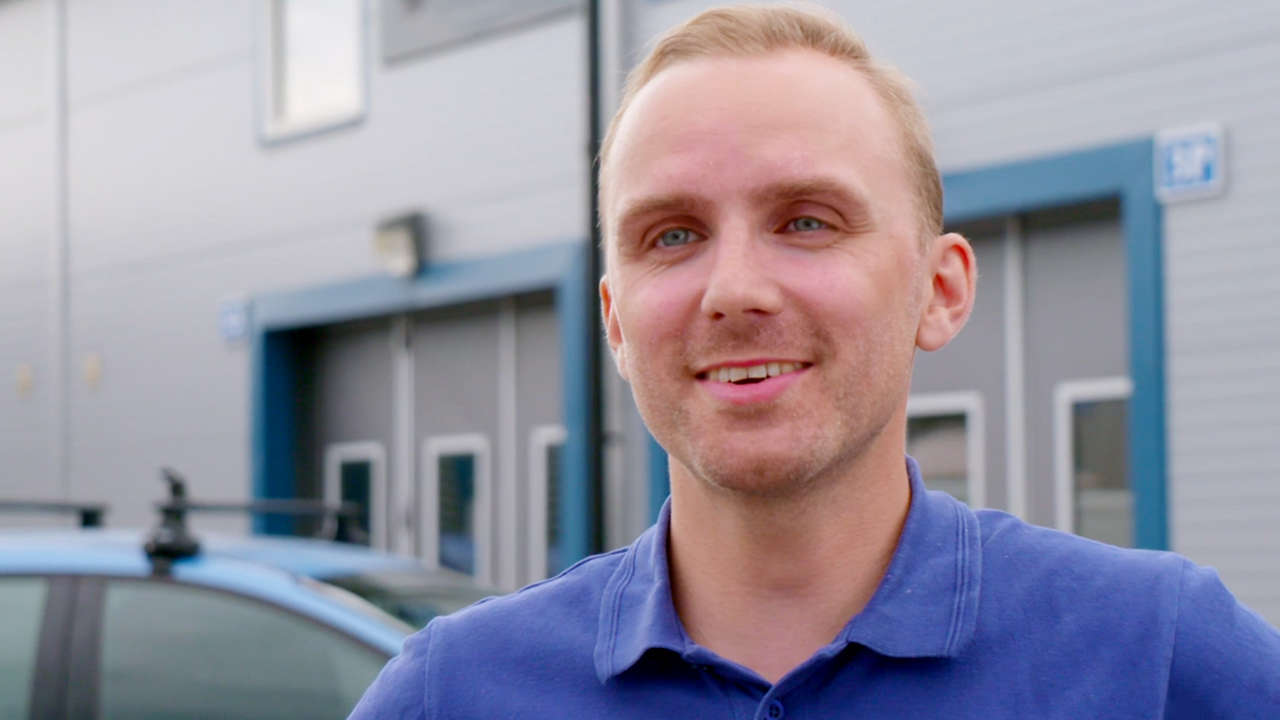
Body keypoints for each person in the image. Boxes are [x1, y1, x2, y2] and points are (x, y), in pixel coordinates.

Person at [351, 5, 1280, 717]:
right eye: (672, 235)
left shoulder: (1157, 659)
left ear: (940, 290)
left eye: (806, 221)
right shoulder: (454, 693)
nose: (734, 289)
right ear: (616, 325)